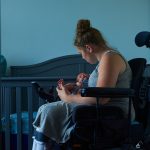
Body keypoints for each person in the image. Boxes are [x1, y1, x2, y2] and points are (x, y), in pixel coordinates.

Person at [32, 19, 135, 149]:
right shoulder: (107, 59)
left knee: (48, 110)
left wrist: (68, 98)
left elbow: (102, 98)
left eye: (81, 53)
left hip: (111, 112)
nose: (82, 57)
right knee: (47, 109)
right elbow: (100, 91)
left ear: (88, 48)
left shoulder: (110, 58)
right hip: (102, 108)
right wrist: (79, 85)